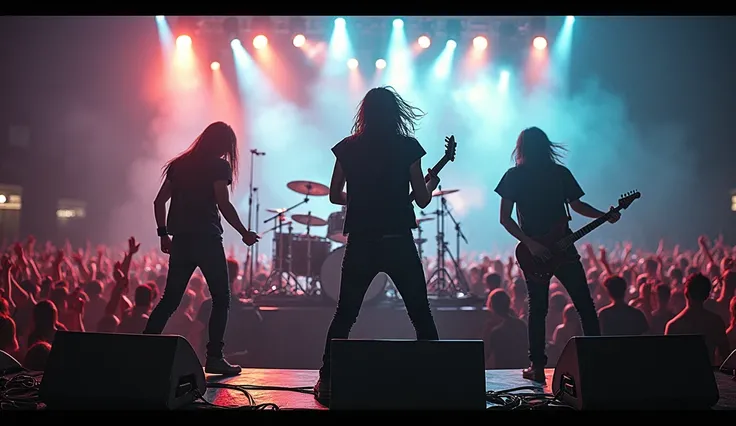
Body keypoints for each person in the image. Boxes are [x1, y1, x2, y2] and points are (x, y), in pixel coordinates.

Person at [314, 87, 441, 405]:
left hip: (362, 242)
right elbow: (422, 200)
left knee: (346, 314)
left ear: (365, 113)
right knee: (420, 313)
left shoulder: (348, 148)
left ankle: (327, 379)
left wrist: (357, 202)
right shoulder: (408, 147)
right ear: (395, 112)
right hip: (398, 241)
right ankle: (440, 376)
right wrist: (431, 182)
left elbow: (333, 195)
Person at [494, 126, 620, 382]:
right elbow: (578, 206)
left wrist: (529, 243)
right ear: (546, 146)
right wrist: (531, 244)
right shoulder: (556, 173)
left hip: (546, 249)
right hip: (546, 250)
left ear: (521, 148)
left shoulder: (515, 176)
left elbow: (505, 219)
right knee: (584, 305)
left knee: (541, 309)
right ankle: (592, 361)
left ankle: (537, 368)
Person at [143, 121, 259, 376]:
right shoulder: (219, 166)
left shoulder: (179, 165)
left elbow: (158, 201)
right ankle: (215, 358)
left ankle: (143, 348)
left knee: (170, 300)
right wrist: (244, 233)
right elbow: (224, 204)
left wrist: (163, 235)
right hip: (206, 239)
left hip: (182, 240)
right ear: (224, 145)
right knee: (221, 298)